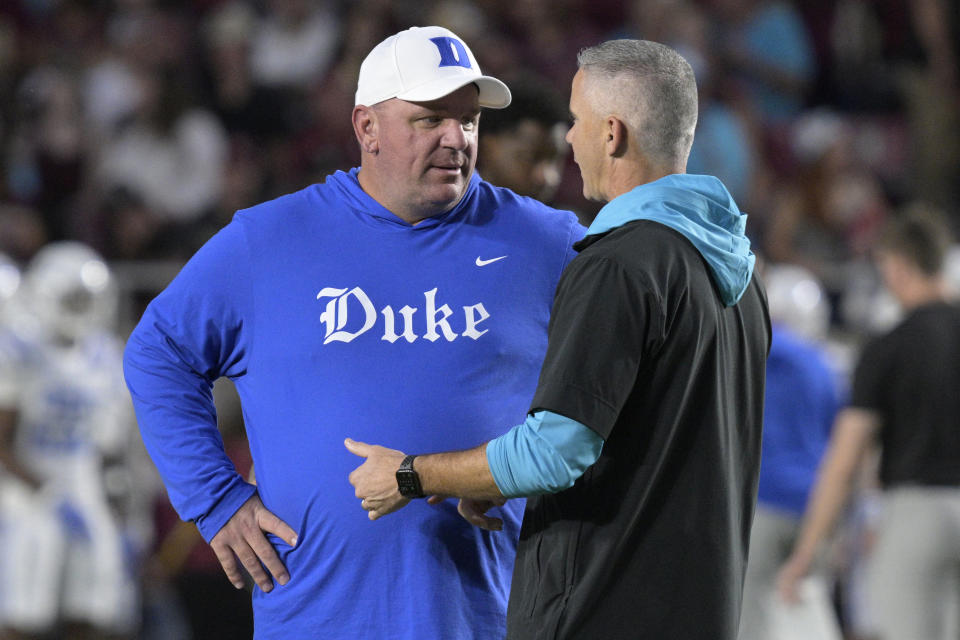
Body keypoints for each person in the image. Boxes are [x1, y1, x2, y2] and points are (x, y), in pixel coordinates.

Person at [122, 25, 584, 639]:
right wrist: (216, 499)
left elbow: (611, 393)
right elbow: (158, 353)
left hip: (494, 615)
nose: (457, 139)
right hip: (317, 616)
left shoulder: (551, 242)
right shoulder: (269, 242)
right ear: (366, 127)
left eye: (469, 120)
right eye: (430, 119)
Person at [347, 39, 770, 639]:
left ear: (613, 134)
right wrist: (483, 477)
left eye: (576, 122)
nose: (569, 141)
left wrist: (414, 475)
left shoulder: (619, 264)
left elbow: (555, 451)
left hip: (606, 611)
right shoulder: (741, 280)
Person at [777, 205, 960, 640]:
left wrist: (807, 552)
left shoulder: (889, 347)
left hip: (914, 512)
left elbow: (844, 462)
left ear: (896, 265)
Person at [0, 242, 140, 639]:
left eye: (86, 298)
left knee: (95, 595)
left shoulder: (105, 357)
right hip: (24, 489)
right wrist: (45, 491)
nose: (80, 307)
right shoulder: (17, 350)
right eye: (72, 297)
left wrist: (119, 506)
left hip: (82, 487)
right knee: (28, 585)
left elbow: (110, 448)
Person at [737, 263, 843, 640]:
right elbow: (840, 444)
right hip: (815, 508)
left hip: (762, 502)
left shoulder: (752, 349)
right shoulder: (825, 367)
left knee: (751, 617)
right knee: (807, 614)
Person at [475, 75, 569, 204]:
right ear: (488, 147)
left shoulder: (570, 222)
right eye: (530, 157)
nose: (546, 178)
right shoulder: (446, 218)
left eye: (555, 160)